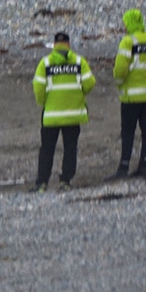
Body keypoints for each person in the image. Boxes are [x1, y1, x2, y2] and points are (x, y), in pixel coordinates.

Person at [32, 32, 96, 191]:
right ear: (68, 44)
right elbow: (90, 83)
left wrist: (45, 103)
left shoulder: (45, 63)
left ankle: (42, 183)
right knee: (70, 148)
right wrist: (78, 95)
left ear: (54, 45)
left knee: (47, 149)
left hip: (51, 115)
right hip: (73, 114)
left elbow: (38, 88)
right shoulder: (79, 62)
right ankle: (65, 181)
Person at [107, 8, 146, 179]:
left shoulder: (128, 42)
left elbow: (120, 69)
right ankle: (144, 165)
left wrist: (119, 83)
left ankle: (123, 167)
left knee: (128, 132)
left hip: (130, 96)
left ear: (129, 23)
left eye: (125, 23)